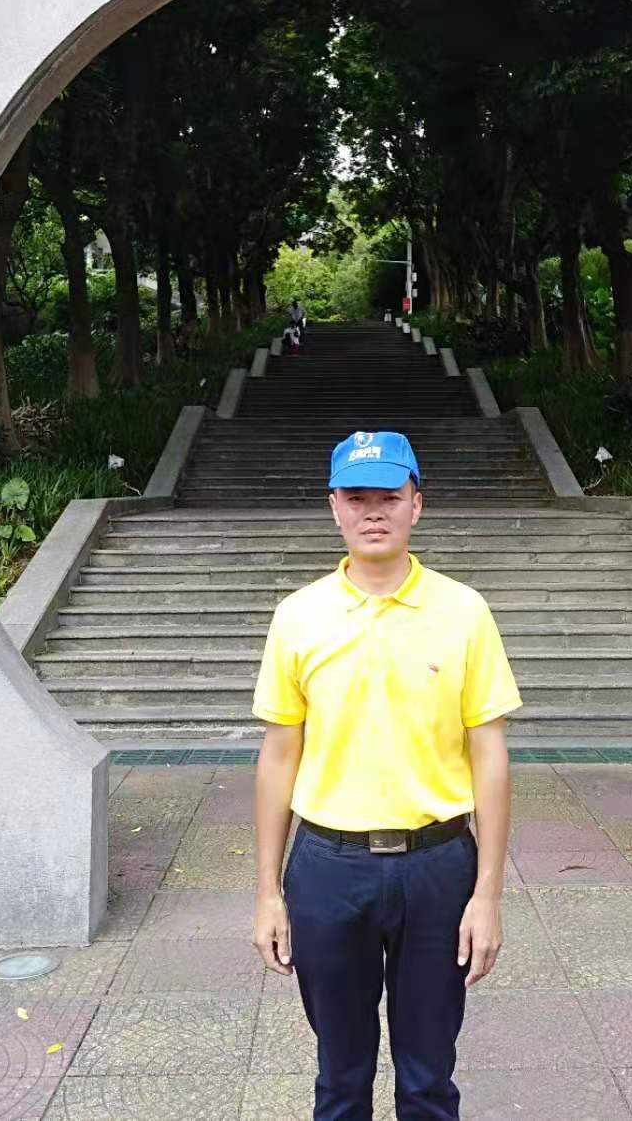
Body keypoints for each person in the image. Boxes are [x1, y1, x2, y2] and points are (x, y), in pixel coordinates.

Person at [251, 430, 522, 1121]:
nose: (374, 512)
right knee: (340, 1077)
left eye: (389, 497)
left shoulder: (464, 612)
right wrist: (267, 891)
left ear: (416, 504)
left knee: (429, 1078)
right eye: (357, 497)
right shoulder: (298, 616)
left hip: (438, 867)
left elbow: (490, 754)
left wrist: (488, 894)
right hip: (327, 868)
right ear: (334, 506)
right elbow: (278, 755)